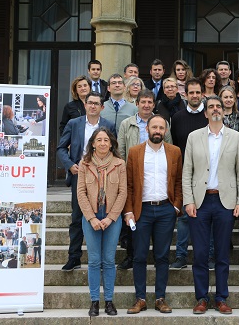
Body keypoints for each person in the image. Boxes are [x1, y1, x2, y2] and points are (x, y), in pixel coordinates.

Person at [182, 96, 239, 315]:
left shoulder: (236, 137)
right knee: (200, 253)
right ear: (206, 113)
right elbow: (187, 172)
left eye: (218, 106)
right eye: (211, 107)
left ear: (223, 110)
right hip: (200, 202)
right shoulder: (194, 137)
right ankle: (201, 297)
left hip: (225, 201)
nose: (215, 110)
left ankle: (221, 298)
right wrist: (188, 200)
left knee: (221, 253)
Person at [124, 115, 183, 315]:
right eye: (154, 127)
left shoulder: (175, 152)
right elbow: (129, 185)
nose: (157, 131)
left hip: (166, 210)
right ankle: (140, 299)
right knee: (139, 255)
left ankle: (160, 298)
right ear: (147, 129)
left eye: (161, 128)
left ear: (165, 131)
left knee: (162, 256)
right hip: (142, 210)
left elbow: (178, 182)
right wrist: (129, 210)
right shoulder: (135, 152)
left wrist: (175, 207)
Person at [57, 92, 116, 271]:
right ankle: (74, 257)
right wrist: (70, 165)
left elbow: (115, 150)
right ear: (85, 105)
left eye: (96, 104)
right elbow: (61, 148)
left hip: (104, 176)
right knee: (77, 216)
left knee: (103, 214)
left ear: (102, 107)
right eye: (89, 103)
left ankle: (102, 259)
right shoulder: (74, 124)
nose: (92, 106)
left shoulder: (109, 125)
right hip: (80, 174)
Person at [117, 90, 172, 270]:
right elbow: (121, 151)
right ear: (137, 104)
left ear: (154, 104)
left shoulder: (161, 123)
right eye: (143, 102)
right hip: (132, 177)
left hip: (156, 178)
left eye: (150, 102)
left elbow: (169, 147)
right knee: (133, 223)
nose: (146, 105)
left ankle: (159, 259)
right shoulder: (127, 124)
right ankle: (131, 255)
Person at [77, 127, 126, 317]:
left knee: (109, 260)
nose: (103, 143)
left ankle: (109, 301)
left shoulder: (119, 164)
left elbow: (123, 193)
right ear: (93, 143)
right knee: (94, 260)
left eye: (106, 140)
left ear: (111, 143)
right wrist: (91, 217)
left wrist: (110, 217)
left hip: (112, 216)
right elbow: (81, 193)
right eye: (99, 140)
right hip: (91, 216)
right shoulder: (85, 164)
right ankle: (94, 301)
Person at [169, 79, 208, 270]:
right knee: (184, 217)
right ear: (185, 94)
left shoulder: (209, 116)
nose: (194, 96)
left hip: (207, 173)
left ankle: (208, 256)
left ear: (202, 94)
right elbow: (175, 146)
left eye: (197, 92)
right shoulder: (177, 118)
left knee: (207, 215)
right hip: (185, 173)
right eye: (191, 92)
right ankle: (181, 256)